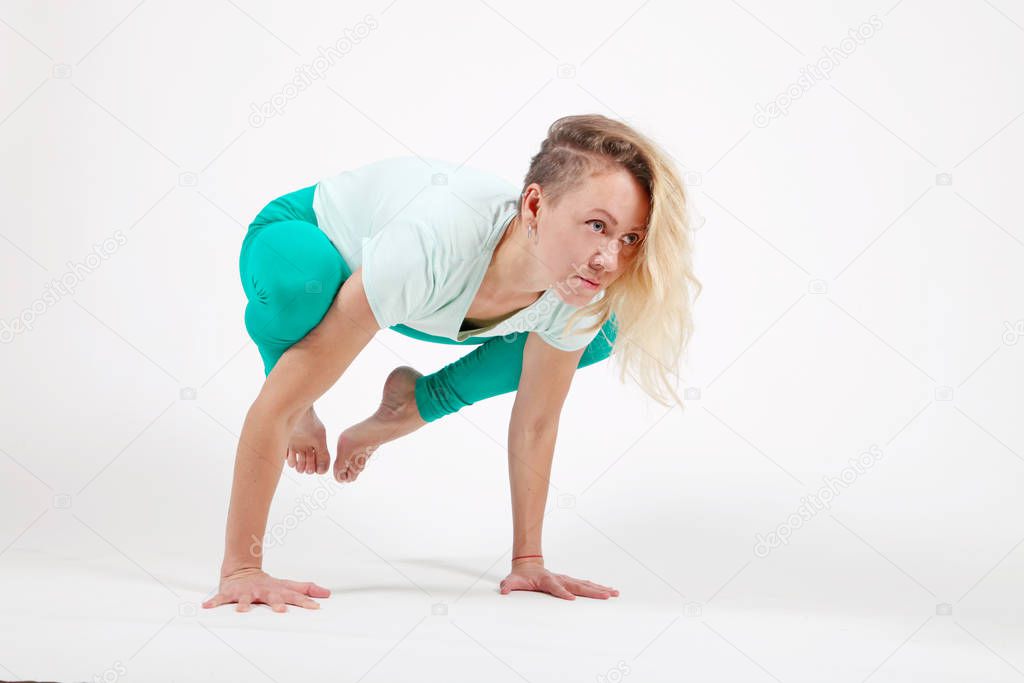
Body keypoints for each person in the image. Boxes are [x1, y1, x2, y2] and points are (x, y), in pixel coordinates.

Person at [202, 114, 701, 612]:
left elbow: (537, 422)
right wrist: (242, 570)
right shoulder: (430, 246)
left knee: (601, 332)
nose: (609, 260)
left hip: (427, 303)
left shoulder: (579, 289)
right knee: (298, 293)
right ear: (534, 204)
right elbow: (269, 410)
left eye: (630, 239)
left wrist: (528, 559)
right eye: (598, 226)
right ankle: (290, 379)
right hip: (308, 246)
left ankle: (413, 403)